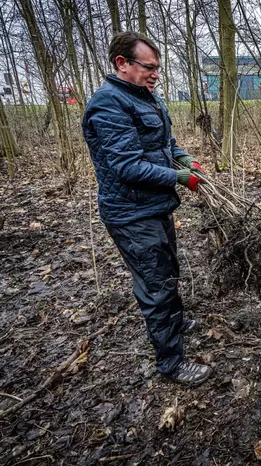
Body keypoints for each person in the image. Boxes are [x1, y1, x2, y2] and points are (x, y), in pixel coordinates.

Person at [82, 31, 211, 385]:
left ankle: (175, 322)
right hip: (130, 212)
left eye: (158, 68)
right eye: (148, 67)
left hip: (155, 206)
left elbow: (165, 143)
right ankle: (171, 363)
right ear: (122, 64)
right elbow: (128, 167)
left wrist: (185, 159)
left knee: (168, 269)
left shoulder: (147, 98)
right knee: (155, 284)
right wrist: (181, 178)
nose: (155, 74)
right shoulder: (108, 104)